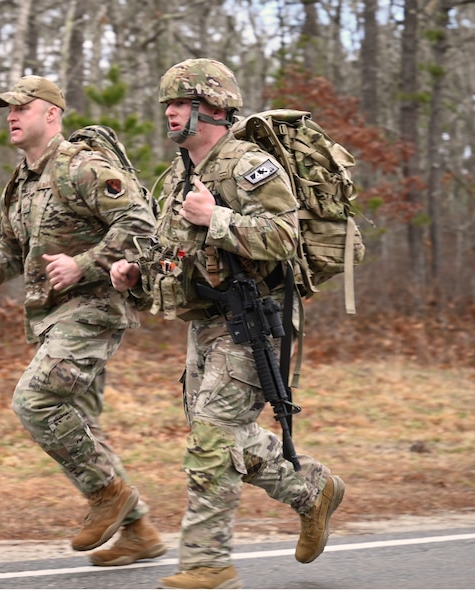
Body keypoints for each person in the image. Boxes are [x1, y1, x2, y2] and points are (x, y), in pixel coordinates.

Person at [110, 58, 345, 589]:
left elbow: (285, 237)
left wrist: (214, 218)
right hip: (206, 324)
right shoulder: (176, 175)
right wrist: (135, 276)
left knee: (213, 440)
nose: (169, 112)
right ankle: (312, 489)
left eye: (180, 102)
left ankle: (206, 563)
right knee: (220, 437)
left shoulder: (247, 165)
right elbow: (172, 254)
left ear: (212, 108)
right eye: (167, 103)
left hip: (253, 319)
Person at [0, 75, 165, 567]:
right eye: (7, 108)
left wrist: (85, 264)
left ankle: (109, 495)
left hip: (94, 310)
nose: (11, 115)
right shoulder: (21, 183)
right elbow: (9, 254)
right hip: (51, 320)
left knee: (35, 400)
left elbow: (139, 224)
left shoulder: (84, 167)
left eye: (21, 107)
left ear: (51, 114)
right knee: (80, 425)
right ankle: (139, 531)